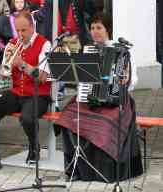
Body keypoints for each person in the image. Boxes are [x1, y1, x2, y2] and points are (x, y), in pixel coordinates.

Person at [54, 13, 143, 182]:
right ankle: (77, 168)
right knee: (67, 118)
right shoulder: (89, 50)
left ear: (107, 29)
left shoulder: (122, 52)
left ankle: (104, 171)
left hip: (116, 102)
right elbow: (81, 79)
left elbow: (132, 82)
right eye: (92, 28)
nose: (95, 32)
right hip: (90, 99)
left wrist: (125, 79)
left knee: (104, 124)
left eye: (99, 28)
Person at [0, 10, 51, 171]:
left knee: (26, 118)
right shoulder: (12, 43)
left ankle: (34, 146)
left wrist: (21, 64)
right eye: (17, 30)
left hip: (38, 94)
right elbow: (5, 76)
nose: (20, 34)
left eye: (24, 30)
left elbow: (42, 76)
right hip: (17, 92)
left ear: (32, 27)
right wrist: (4, 70)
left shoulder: (44, 44)